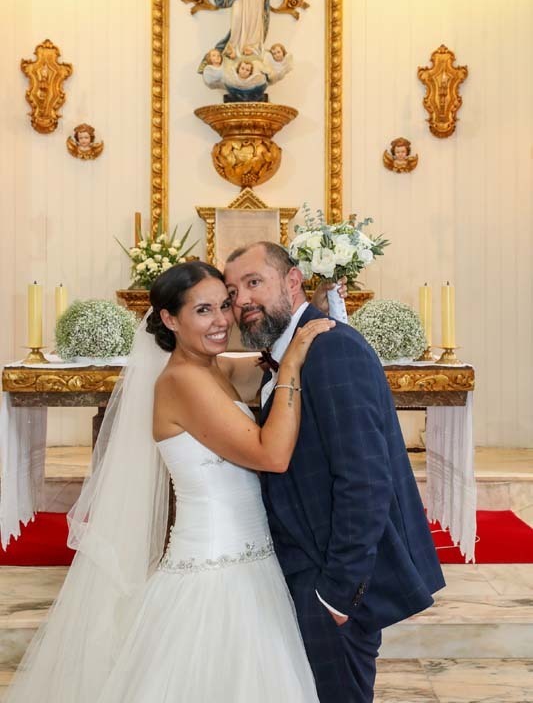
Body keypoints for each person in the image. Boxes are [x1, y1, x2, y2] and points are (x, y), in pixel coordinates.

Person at [5, 261, 336, 703]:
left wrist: (303, 314)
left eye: (225, 305)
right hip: (214, 570)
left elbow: (262, 366)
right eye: (203, 310)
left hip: (251, 561)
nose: (221, 321)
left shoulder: (214, 368)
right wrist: (291, 365)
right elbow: (271, 456)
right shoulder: (181, 381)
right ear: (170, 319)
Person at [224, 242, 446, 703]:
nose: (242, 299)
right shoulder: (286, 355)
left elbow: (365, 480)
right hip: (305, 571)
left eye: (253, 282)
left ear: (292, 281)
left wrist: (338, 594)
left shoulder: (331, 349)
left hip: (330, 583)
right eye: (232, 292)